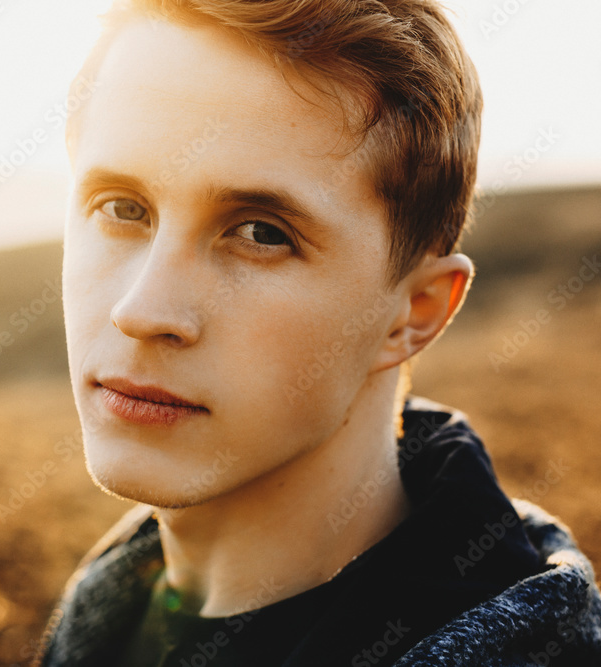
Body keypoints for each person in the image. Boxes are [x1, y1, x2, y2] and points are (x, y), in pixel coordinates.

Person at [34, 1, 601, 664]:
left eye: (261, 233)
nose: (141, 310)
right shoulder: (109, 612)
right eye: (122, 208)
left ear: (414, 311)